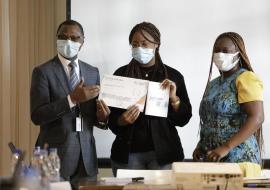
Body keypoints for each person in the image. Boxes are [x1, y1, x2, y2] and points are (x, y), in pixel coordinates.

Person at [30, 20, 110, 189]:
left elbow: (92, 116)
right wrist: (71, 99)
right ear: (57, 39)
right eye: (63, 37)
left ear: (82, 42)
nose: (69, 42)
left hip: (87, 160)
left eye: (74, 38)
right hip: (55, 160)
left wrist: (102, 118)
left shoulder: (92, 71)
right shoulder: (42, 72)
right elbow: (37, 115)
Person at [108, 22, 192, 176]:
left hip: (164, 155)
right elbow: (109, 119)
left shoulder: (173, 76)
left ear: (156, 44)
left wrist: (174, 100)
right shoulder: (120, 75)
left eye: (144, 44)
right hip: (127, 156)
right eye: (135, 44)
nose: (139, 48)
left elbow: (184, 119)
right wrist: (121, 120)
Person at [193, 32, 264, 163]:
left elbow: (257, 118)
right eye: (217, 50)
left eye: (225, 51)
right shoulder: (213, 84)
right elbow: (209, 120)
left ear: (238, 53)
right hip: (212, 157)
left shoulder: (246, 79)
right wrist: (200, 146)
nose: (220, 55)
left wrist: (226, 147)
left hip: (239, 156)